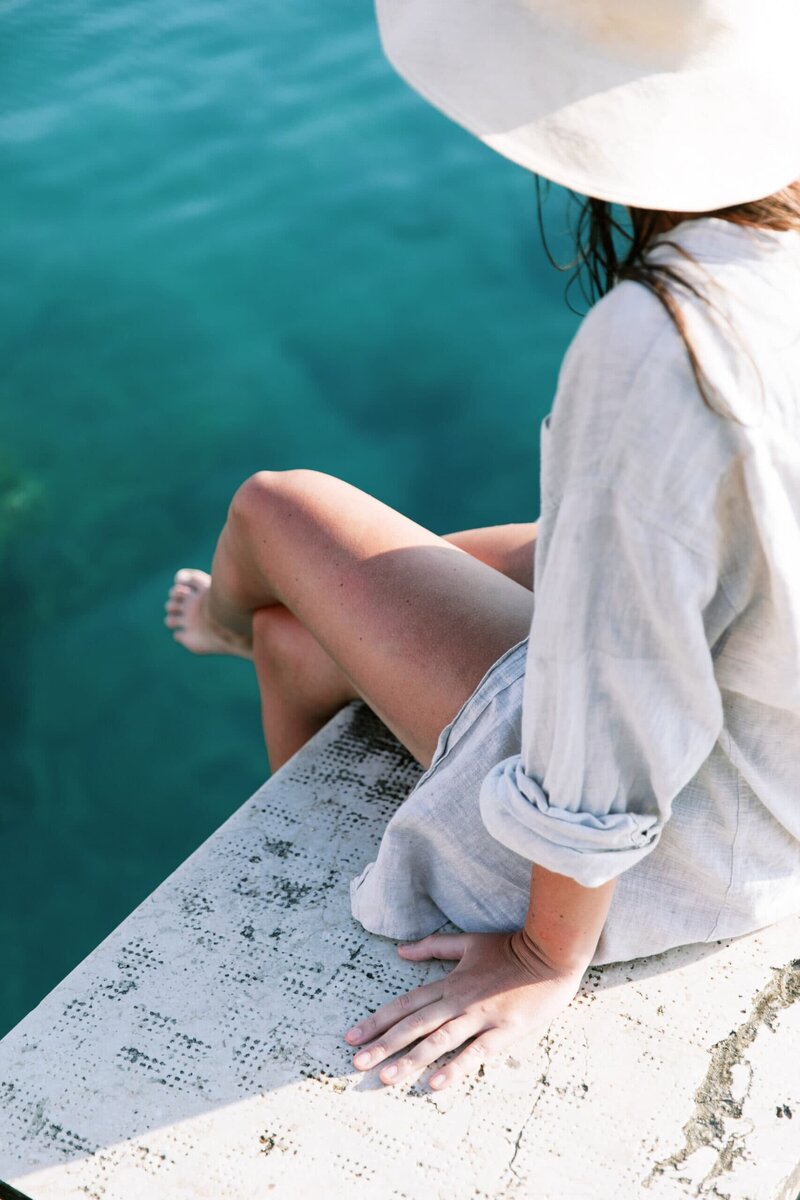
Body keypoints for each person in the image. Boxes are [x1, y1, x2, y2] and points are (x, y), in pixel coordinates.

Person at [164, 0, 800, 1092]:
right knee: (489, 553)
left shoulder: (666, 343)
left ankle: (235, 629)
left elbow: (614, 707)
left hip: (705, 833)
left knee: (276, 507)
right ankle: (307, 641)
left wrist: (543, 952)